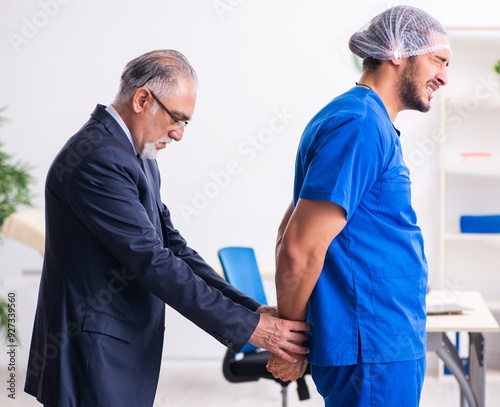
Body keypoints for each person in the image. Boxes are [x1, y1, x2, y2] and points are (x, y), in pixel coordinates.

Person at [24, 49, 310, 407]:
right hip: (90, 355)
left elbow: (173, 247)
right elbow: (153, 262)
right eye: (178, 118)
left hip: (116, 352)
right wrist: (253, 330)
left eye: (186, 123)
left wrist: (250, 310)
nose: (179, 134)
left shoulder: (136, 155)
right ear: (143, 98)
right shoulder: (98, 156)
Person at [266, 5, 451, 406]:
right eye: (438, 60)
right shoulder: (361, 125)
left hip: (381, 342)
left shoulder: (361, 119)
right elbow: (299, 246)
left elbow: (290, 231)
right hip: (374, 346)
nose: (444, 77)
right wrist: (290, 339)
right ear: (399, 52)